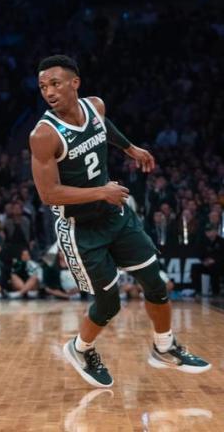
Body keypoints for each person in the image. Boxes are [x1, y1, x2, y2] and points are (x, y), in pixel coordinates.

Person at [29, 55, 208, 388]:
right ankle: (80, 349)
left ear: (74, 83)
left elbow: (102, 128)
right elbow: (49, 194)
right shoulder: (43, 135)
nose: (48, 91)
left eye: (55, 83)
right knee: (109, 302)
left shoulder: (95, 106)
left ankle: (164, 347)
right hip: (81, 228)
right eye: (42, 86)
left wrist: (130, 148)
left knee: (155, 281)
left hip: (115, 214)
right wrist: (101, 192)